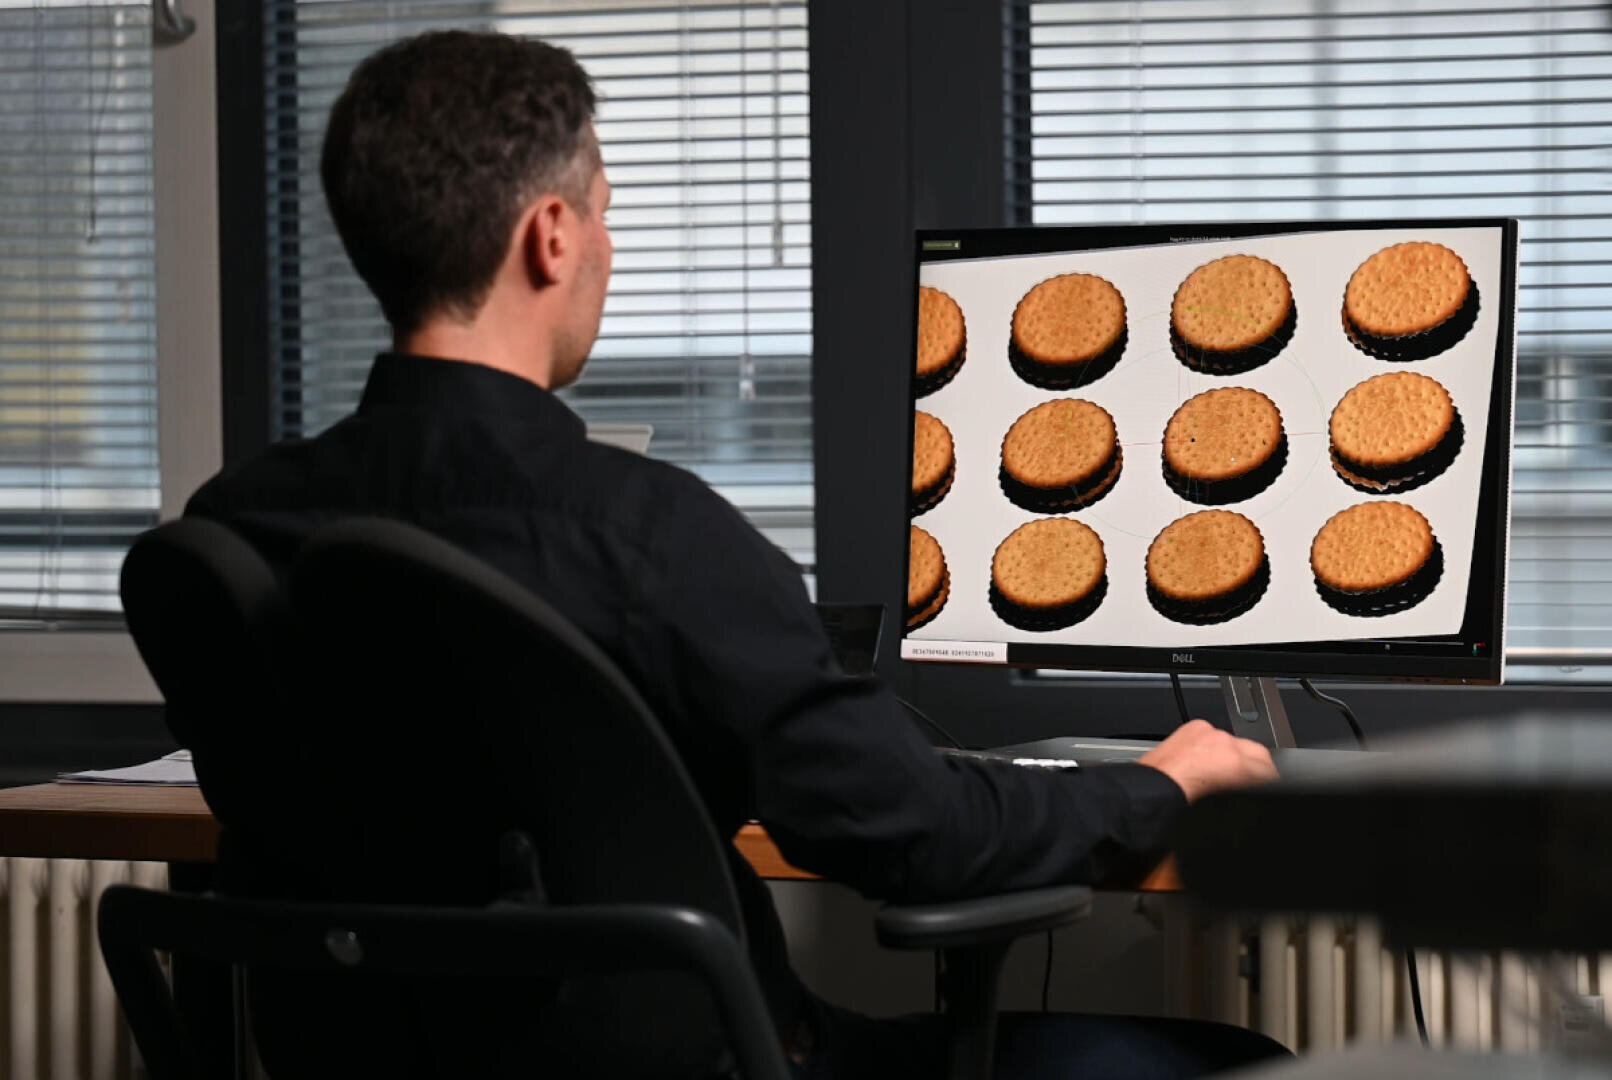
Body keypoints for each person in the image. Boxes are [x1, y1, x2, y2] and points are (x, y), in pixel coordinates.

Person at [186, 29, 1285, 1079]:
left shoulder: (240, 522)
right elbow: (914, 832)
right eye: (606, 216)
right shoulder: (647, 535)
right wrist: (1157, 785)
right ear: (552, 235)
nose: (608, 254)